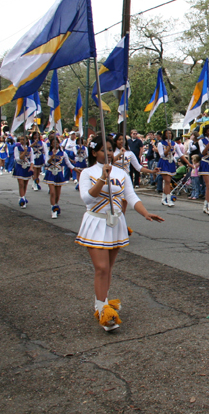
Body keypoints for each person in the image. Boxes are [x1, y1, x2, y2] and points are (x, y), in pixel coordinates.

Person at [76, 135, 164, 332]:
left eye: (109, 149)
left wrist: (145, 213)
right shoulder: (87, 173)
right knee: (101, 268)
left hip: (116, 224)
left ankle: (102, 302)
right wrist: (102, 178)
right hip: (96, 223)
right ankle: (103, 311)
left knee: (108, 268)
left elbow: (131, 196)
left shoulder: (121, 172)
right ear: (93, 152)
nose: (108, 153)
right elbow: (87, 199)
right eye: (103, 150)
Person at [43, 136, 74, 218]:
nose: (55, 144)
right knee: (52, 192)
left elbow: (68, 164)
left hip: (59, 173)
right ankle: (53, 209)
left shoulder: (63, 153)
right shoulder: (48, 152)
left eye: (56, 143)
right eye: (53, 143)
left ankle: (56, 205)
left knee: (57, 193)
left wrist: (76, 169)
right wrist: (52, 157)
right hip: (50, 173)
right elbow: (46, 163)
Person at [157, 129, 187, 207]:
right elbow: (162, 155)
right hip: (164, 162)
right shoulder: (160, 144)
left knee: (168, 181)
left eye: (170, 133)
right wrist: (168, 149)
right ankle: (168, 199)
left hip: (171, 163)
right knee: (167, 181)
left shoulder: (175, 144)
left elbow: (180, 154)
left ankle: (164, 198)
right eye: (167, 133)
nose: (169, 134)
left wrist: (188, 163)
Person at [13, 134, 35, 208]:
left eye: (24, 139)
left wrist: (31, 167)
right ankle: (22, 199)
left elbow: (32, 160)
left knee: (25, 184)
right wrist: (24, 152)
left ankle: (23, 196)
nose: (22, 141)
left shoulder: (30, 149)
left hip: (27, 167)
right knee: (21, 184)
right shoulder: (17, 148)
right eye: (21, 139)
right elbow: (18, 159)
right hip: (20, 166)